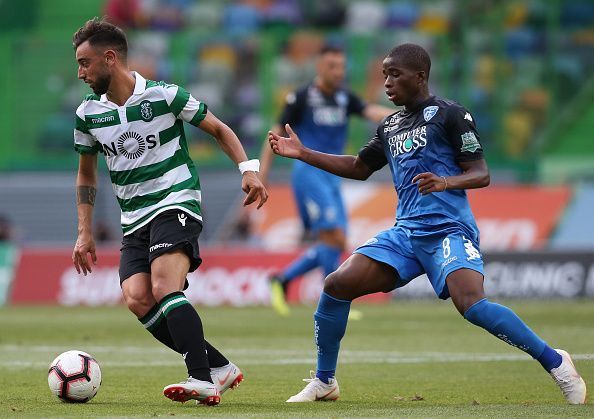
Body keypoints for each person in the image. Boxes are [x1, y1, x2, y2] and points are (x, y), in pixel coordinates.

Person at [268, 43, 586, 404]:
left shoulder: (451, 115)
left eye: (395, 74)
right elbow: (359, 167)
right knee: (337, 284)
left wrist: (445, 181)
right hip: (406, 234)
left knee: (472, 305)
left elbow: (481, 173)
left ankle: (555, 361)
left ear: (420, 76)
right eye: (384, 74)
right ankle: (325, 382)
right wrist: (304, 153)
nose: (387, 82)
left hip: (449, 229)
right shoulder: (389, 125)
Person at [71, 17, 268, 406]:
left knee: (164, 288)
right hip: (133, 218)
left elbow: (219, 129)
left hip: (175, 200)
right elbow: (86, 175)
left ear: (110, 58)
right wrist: (84, 230)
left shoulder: (164, 95)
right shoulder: (87, 114)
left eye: (85, 62)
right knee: (138, 298)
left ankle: (201, 379)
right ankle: (219, 367)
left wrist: (248, 170)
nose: (80, 73)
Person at [260, 44, 393, 316]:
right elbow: (274, 134)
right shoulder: (300, 98)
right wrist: (261, 176)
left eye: (342, 66)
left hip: (334, 175)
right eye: (333, 66)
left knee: (337, 238)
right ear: (320, 67)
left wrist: (406, 115)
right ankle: (333, 301)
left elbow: (370, 111)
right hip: (309, 175)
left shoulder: (344, 97)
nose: (339, 72)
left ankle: (283, 279)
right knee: (332, 232)